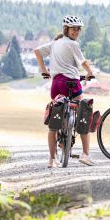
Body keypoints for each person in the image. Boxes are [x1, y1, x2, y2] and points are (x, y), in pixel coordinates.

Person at [34, 15, 96, 168]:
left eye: (78, 29)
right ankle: (85, 155)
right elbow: (83, 62)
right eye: (74, 28)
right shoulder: (73, 44)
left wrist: (44, 70)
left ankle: (52, 159)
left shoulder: (56, 43)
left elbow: (37, 51)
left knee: (56, 117)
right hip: (71, 83)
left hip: (56, 84)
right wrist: (90, 73)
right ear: (66, 29)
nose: (77, 31)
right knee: (85, 110)